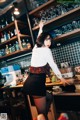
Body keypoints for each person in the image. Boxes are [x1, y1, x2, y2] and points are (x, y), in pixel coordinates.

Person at [23, 21, 70, 120]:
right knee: (42, 114)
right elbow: (53, 64)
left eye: (50, 40)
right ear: (43, 40)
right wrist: (61, 78)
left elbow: (39, 37)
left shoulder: (36, 48)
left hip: (31, 82)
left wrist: (41, 27)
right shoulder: (46, 50)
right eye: (47, 39)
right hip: (36, 83)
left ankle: (42, 117)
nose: (49, 42)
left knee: (49, 97)